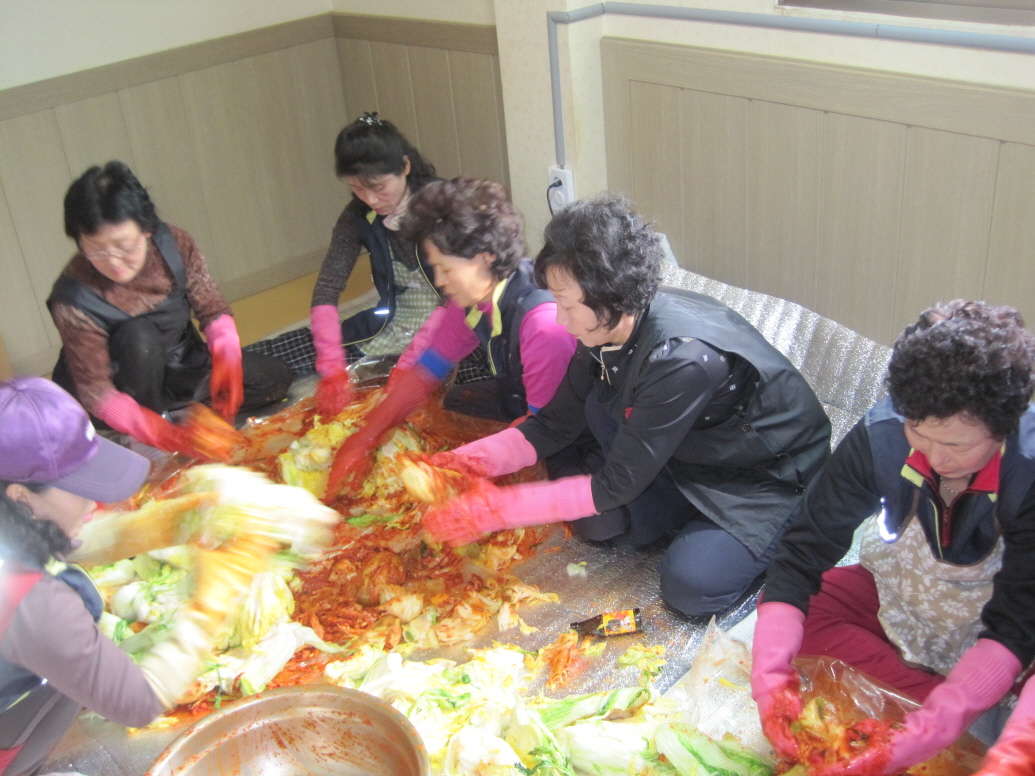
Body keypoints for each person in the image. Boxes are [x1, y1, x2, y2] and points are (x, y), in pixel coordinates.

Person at [420, 194, 832, 616]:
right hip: (684, 456)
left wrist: (493, 510)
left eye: (567, 305)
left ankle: (779, 532)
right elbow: (552, 424)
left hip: (764, 478)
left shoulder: (681, 359)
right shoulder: (605, 326)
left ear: (609, 295)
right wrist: (459, 464)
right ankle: (690, 522)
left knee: (690, 587)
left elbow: (612, 485)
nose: (560, 320)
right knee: (597, 521)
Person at [751, 301, 1035, 775]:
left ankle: (965, 709)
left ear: (1002, 428)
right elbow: (803, 550)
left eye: (957, 445)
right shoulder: (882, 435)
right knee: (789, 612)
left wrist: (934, 726)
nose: (936, 459)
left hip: (1000, 621)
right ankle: (957, 707)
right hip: (905, 592)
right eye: (919, 433)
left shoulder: (1027, 469)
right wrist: (770, 680)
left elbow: (1017, 623)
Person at [0, 377, 255, 776]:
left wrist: (170, 522)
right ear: (21, 496)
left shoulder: (13, 518)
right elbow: (137, 702)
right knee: (67, 684)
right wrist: (213, 597)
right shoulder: (30, 600)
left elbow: (55, 539)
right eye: (79, 487)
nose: (95, 502)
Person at [325, 177, 576, 497]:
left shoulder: (543, 326)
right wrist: (365, 437)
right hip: (522, 395)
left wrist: (450, 469)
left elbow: (542, 428)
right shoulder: (473, 298)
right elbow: (426, 370)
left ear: (485, 257)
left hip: (565, 425)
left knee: (554, 489)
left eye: (445, 268)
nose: (440, 281)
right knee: (454, 403)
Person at [48, 161, 291, 456]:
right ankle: (143, 425)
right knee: (139, 335)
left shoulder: (175, 244)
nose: (114, 262)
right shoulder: (73, 298)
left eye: (125, 247)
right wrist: (160, 433)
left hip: (176, 364)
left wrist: (227, 361)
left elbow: (211, 307)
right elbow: (97, 393)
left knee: (273, 378)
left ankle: (173, 413)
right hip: (119, 388)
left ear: (147, 229)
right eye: (97, 250)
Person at [307, 113, 449, 418]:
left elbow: (455, 298)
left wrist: (408, 365)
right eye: (357, 188)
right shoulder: (358, 215)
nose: (370, 199)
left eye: (379, 186)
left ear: (405, 167)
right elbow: (327, 287)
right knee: (303, 352)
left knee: (454, 393)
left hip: (450, 321)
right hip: (397, 319)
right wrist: (331, 366)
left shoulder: (444, 206)